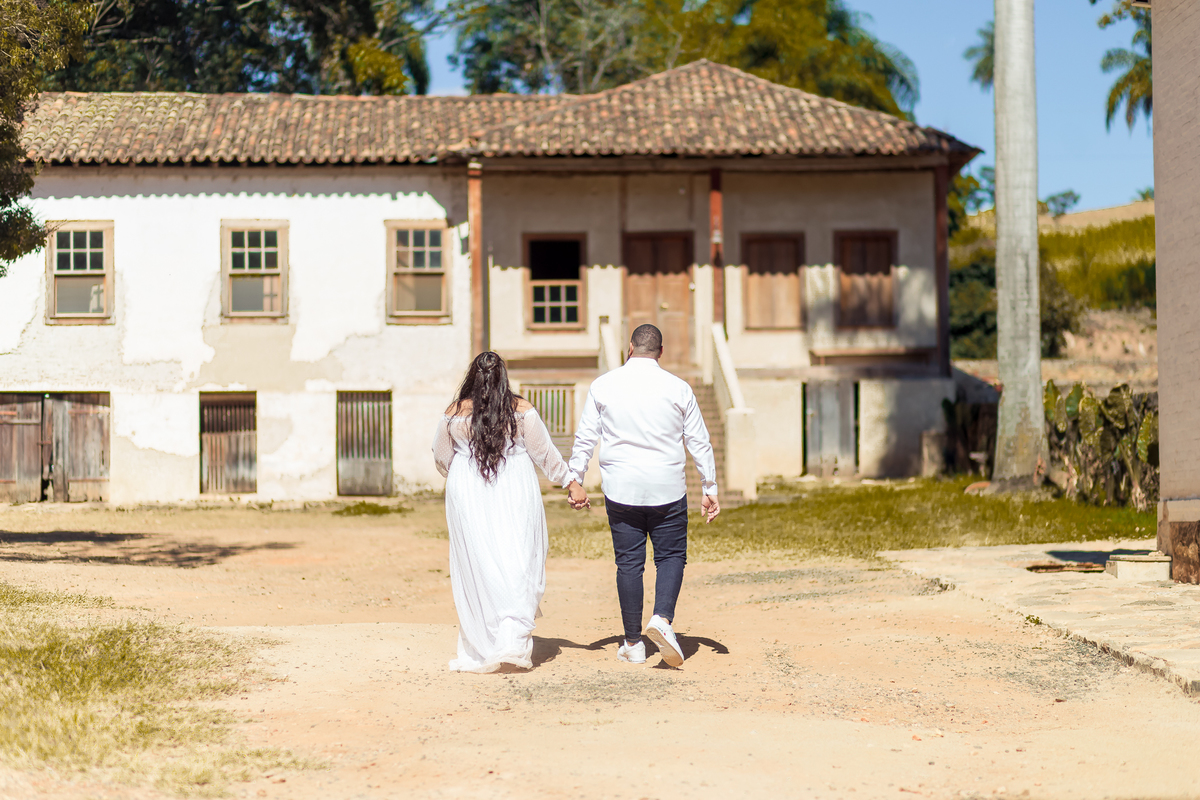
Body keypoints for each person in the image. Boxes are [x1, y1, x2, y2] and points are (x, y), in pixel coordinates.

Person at [564, 324, 719, 667]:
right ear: (660, 352)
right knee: (671, 556)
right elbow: (699, 440)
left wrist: (576, 478)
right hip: (667, 488)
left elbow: (586, 436)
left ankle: (633, 643)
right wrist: (709, 486)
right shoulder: (678, 388)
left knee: (629, 564)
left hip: (622, 489)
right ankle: (662, 618)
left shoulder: (603, 385)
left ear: (630, 348)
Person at [433, 351, 570, 673]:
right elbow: (543, 452)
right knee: (519, 559)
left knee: (480, 563)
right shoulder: (521, 410)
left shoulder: (454, 412)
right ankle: (511, 640)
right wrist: (569, 481)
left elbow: (441, 456)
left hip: (467, 492)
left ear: (472, 377)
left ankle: (490, 642)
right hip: (514, 487)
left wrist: (465, 473)